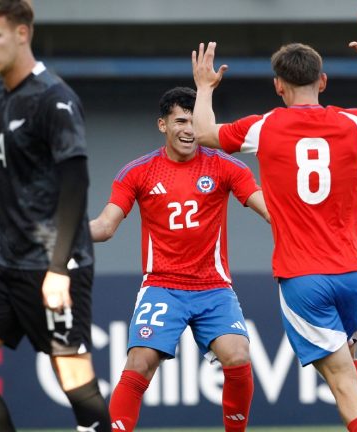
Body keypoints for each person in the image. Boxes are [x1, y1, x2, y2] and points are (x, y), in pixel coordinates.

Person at [192, 9, 357, 432]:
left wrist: (204, 87)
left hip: (303, 275)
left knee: (341, 384)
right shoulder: (351, 123)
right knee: (348, 358)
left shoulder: (265, 128)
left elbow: (203, 133)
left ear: (278, 86)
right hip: (353, 270)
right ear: (322, 82)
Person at [0, 1, 110, 431]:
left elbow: (77, 187)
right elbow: (8, 181)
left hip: (55, 268)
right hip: (6, 266)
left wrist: (58, 270)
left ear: (22, 34)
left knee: (78, 391)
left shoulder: (55, 100)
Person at [89, 87, 269, 432]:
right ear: (163, 125)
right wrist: (64, 233)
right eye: (180, 121)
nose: (189, 129)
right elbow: (105, 226)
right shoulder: (138, 172)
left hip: (214, 287)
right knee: (140, 361)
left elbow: (269, 211)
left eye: (194, 121)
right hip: (162, 286)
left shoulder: (225, 166)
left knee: (239, 356)